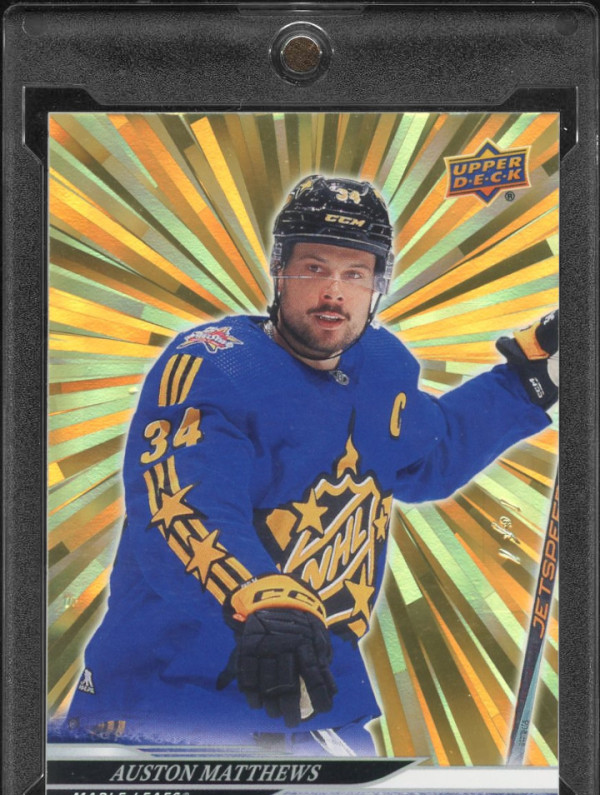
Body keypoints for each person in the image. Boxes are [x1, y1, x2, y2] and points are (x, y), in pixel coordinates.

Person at [65, 175, 558, 755]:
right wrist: (262, 594)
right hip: (168, 698)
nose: (334, 292)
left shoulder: (381, 366)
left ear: (378, 285)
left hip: (314, 698)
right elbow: (183, 507)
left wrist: (529, 379)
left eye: (355, 274)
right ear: (279, 271)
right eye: (314, 268)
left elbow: (430, 454)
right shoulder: (214, 365)